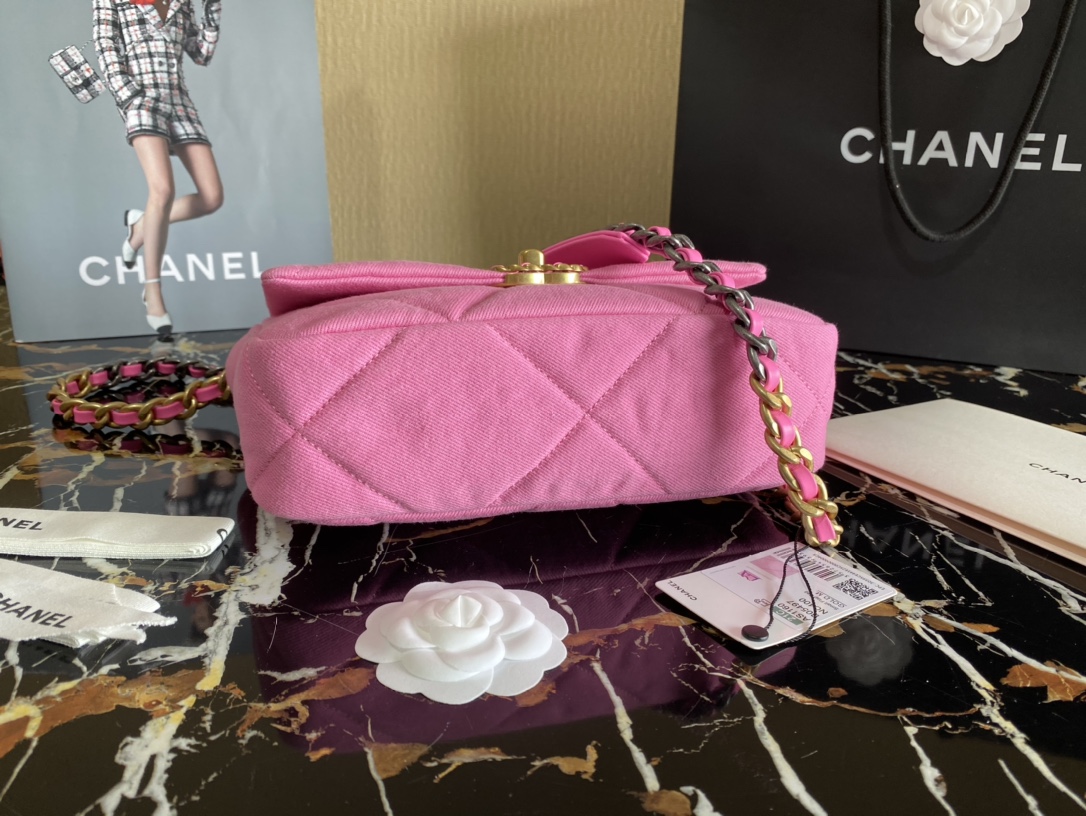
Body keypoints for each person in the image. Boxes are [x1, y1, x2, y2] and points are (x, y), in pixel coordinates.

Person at [93, 0, 224, 339]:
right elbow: (106, 48)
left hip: (178, 100)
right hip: (141, 99)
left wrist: (212, 8)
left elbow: (201, 54)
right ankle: (153, 292)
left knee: (211, 197)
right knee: (162, 190)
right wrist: (129, 97)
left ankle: (140, 227)